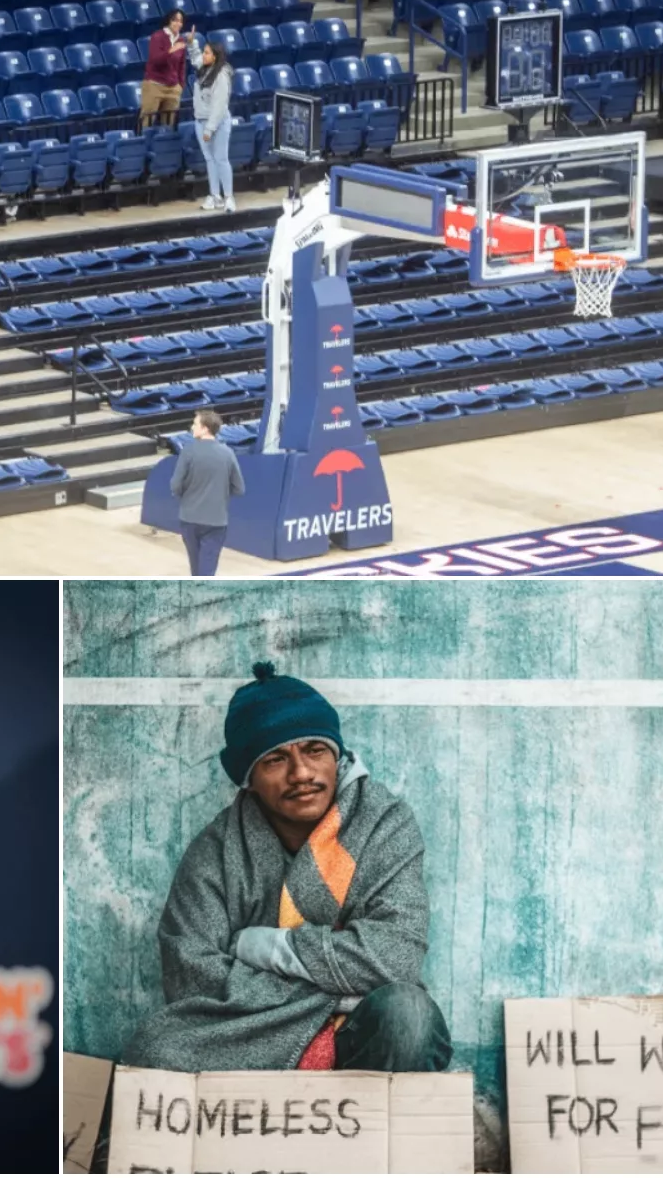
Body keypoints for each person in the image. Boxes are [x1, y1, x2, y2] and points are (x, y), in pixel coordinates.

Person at [122, 662, 450, 1075]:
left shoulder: (383, 824)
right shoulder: (217, 849)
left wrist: (264, 948)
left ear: (338, 757)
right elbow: (189, 973)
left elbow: (395, 956)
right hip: (253, 1033)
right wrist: (328, 995)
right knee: (155, 1048)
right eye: (275, 758)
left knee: (408, 1017)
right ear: (249, 778)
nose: (302, 773)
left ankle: (365, 1136)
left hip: (361, 1029)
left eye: (315, 750)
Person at [169, 409, 246, 577]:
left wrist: (187, 495)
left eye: (195, 424)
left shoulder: (188, 451)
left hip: (189, 518)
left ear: (205, 428)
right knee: (208, 568)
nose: (192, 427)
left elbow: (175, 485)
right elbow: (239, 488)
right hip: (216, 520)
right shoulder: (227, 453)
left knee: (195, 567)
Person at [188, 35, 236, 212]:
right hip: (200, 120)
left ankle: (229, 197)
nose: (203, 56)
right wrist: (192, 43)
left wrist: (210, 128)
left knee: (221, 159)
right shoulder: (206, 68)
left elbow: (219, 106)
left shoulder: (221, 76)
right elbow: (195, 59)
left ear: (215, 56)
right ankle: (215, 195)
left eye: (206, 53)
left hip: (217, 123)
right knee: (210, 159)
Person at [139, 9, 190, 130]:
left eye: (181, 21)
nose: (178, 24)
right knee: (147, 122)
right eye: (175, 20)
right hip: (154, 85)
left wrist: (180, 85)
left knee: (168, 124)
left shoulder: (181, 40)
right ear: (168, 21)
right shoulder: (158, 37)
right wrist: (171, 50)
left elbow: (182, 65)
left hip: (173, 88)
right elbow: (156, 61)